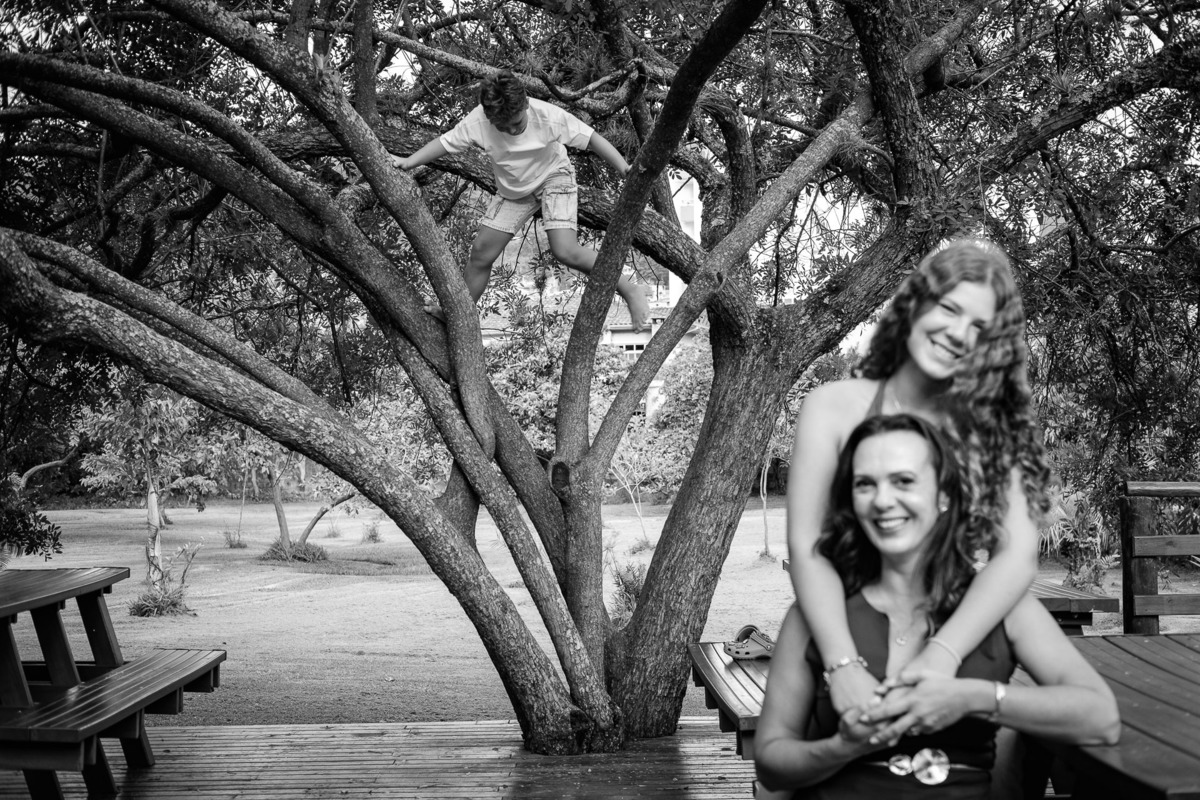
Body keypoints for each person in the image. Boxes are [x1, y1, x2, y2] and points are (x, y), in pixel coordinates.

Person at [756, 414, 1119, 799]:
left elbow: (1100, 718)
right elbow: (771, 764)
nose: (882, 501)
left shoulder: (1003, 608)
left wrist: (970, 698)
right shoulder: (816, 614)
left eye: (904, 481)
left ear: (944, 495)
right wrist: (842, 748)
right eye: (865, 484)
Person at [786, 239, 1050, 743]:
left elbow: (1017, 557)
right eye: (949, 309)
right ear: (915, 305)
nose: (958, 334)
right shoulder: (833, 407)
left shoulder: (988, 430)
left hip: (952, 638)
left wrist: (942, 655)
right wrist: (842, 665)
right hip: (844, 632)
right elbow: (807, 545)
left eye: (979, 327)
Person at [392, 69, 650, 331]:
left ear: (526, 103)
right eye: (503, 127)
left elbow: (592, 139)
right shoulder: (478, 121)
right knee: (480, 253)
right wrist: (408, 162)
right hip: (514, 190)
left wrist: (623, 167)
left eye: (517, 123)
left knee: (565, 250)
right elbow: (445, 143)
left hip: (553, 176)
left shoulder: (547, 116)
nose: (512, 130)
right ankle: (457, 316)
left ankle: (630, 290)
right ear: (489, 117)